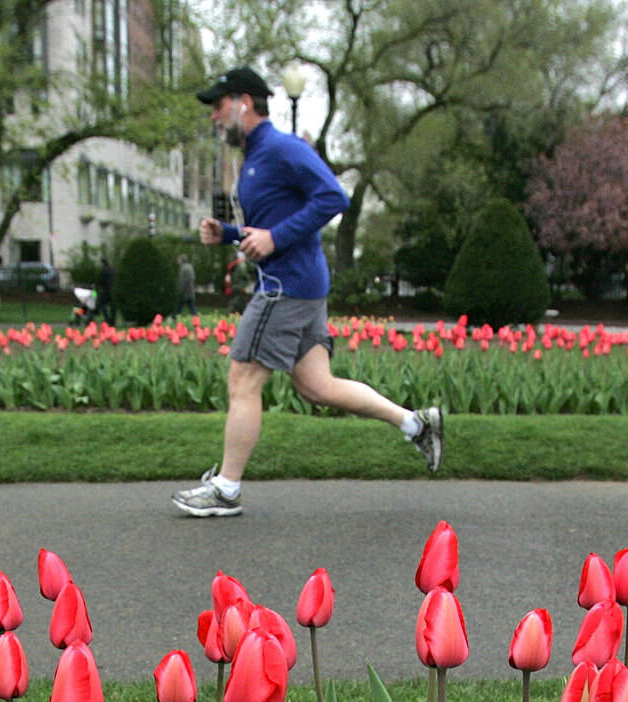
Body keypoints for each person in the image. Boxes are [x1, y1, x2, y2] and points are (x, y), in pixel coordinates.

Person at [173, 66, 442, 519]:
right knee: (317, 386)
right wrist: (229, 233)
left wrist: (275, 239)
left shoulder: (281, 148)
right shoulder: (258, 156)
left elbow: (333, 197)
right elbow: (270, 226)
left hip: (286, 288)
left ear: (243, 102)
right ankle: (417, 424)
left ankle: (226, 489)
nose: (214, 118)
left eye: (218, 107)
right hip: (301, 283)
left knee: (243, 379)